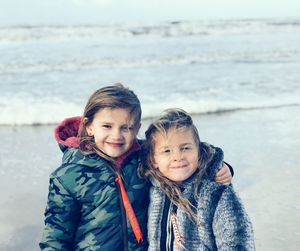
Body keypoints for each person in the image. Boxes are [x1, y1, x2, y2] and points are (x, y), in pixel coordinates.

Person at [39, 84, 233, 250]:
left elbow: (180, 153)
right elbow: (55, 237)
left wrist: (220, 166)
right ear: (89, 126)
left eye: (126, 127)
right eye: (107, 126)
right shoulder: (68, 176)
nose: (117, 135)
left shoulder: (144, 156)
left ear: (137, 128)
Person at [140, 108, 255, 251]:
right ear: (153, 161)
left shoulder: (216, 194)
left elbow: (237, 242)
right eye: (167, 151)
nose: (177, 157)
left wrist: (218, 164)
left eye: (185, 148)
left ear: (199, 152)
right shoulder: (151, 189)